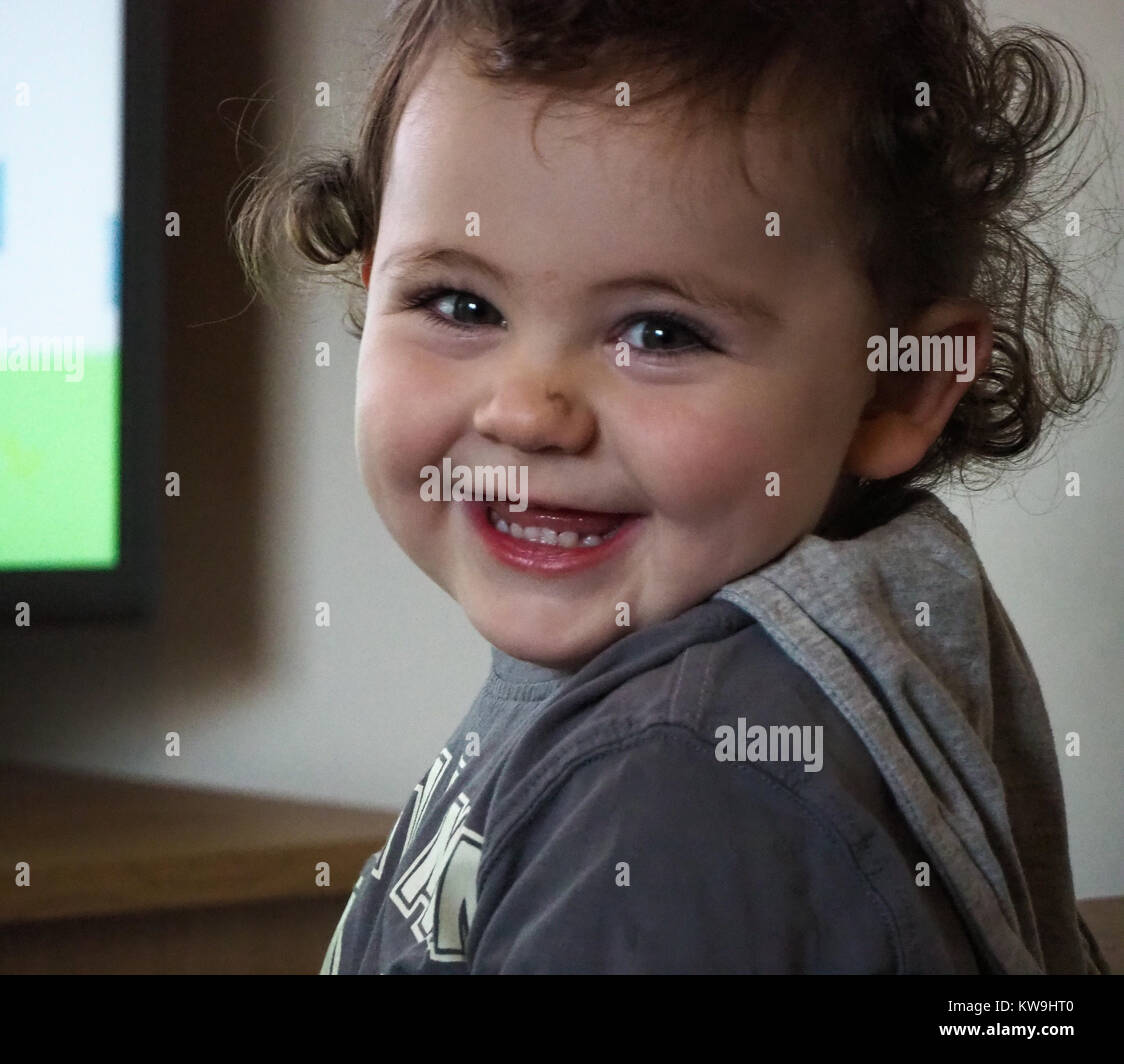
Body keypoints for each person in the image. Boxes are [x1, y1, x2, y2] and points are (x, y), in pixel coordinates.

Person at [232, 0, 1116, 973]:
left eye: (660, 331)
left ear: (896, 381)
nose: (528, 411)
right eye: (460, 302)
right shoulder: (814, 640)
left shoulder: (683, 780)